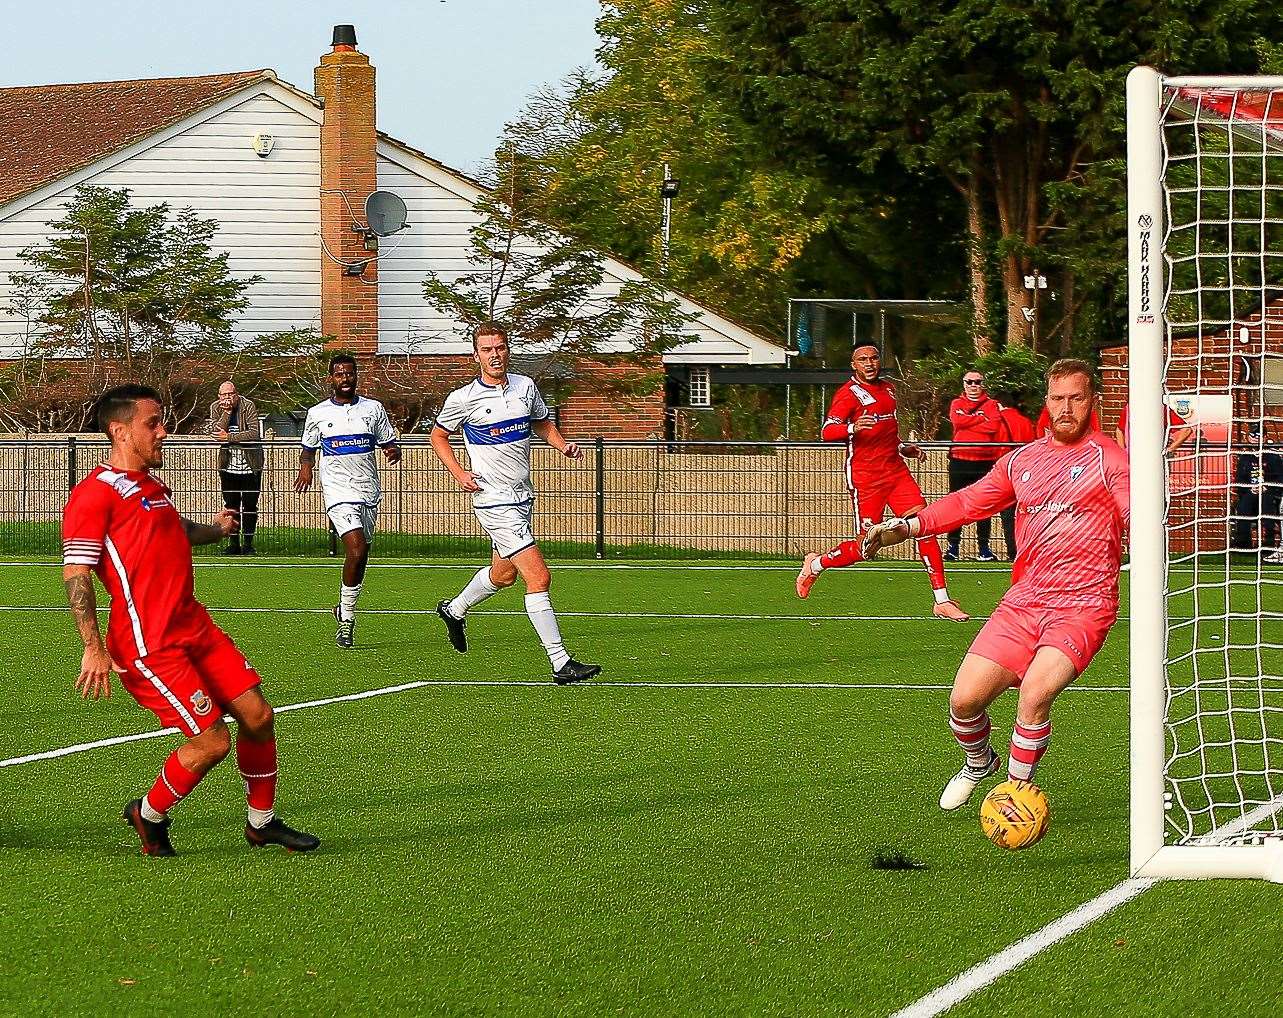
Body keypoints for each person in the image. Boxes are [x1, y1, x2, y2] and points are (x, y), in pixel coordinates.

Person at [61, 384, 318, 856]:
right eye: (152, 423)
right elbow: (77, 573)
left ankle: (261, 823)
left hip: (193, 626)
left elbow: (172, 530)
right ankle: (150, 812)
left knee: (259, 716)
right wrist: (92, 646)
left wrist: (216, 529)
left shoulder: (150, 487)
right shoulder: (92, 495)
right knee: (212, 742)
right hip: (148, 643)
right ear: (119, 431)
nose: (164, 431)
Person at [861, 359, 1128, 809]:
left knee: (1036, 692)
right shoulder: (1022, 460)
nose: (1066, 407)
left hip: (1084, 604)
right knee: (964, 701)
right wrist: (908, 527)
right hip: (1022, 604)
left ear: (1093, 402)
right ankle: (978, 762)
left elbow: (1133, 511)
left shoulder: (1111, 460)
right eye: (1058, 398)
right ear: (1047, 402)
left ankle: (1015, 794)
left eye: (1076, 398)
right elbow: (968, 502)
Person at [430, 322, 602, 684]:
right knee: (538, 576)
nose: (495, 355)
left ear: (508, 349)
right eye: (487, 349)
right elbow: (439, 436)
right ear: (475, 356)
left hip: (522, 496)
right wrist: (459, 473)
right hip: (492, 500)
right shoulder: (463, 398)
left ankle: (454, 609)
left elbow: (542, 422)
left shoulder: (525, 387)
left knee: (504, 575)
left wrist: (562, 445)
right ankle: (560, 663)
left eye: (500, 347)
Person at [794, 344, 968, 621]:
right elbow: (827, 431)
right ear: (854, 365)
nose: (869, 363)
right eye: (862, 359)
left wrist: (903, 448)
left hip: (896, 472)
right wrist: (851, 427)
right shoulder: (848, 395)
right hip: (867, 479)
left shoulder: (888, 389)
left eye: (873, 358)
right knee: (866, 548)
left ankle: (942, 600)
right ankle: (816, 564)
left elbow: (886, 432)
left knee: (925, 526)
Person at [294, 354, 401, 649]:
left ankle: (343, 607)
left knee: (361, 553)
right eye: (339, 374)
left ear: (356, 377)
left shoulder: (373, 409)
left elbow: (388, 442)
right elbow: (308, 449)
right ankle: (348, 620)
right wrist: (306, 468)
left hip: (368, 491)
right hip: (338, 491)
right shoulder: (317, 413)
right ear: (331, 378)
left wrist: (393, 451)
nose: (345, 378)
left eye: (349, 373)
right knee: (356, 547)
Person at [945, 370, 1005, 562]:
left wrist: (968, 422)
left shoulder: (992, 404)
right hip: (960, 460)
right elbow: (957, 421)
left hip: (984, 460)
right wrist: (980, 419)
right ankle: (953, 546)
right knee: (956, 504)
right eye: (969, 382)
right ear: (963, 384)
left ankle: (984, 548)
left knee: (983, 505)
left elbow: (993, 427)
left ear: (982, 384)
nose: (973, 385)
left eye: (977, 382)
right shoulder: (956, 403)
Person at [207, 380, 263, 555]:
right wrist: (226, 413)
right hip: (228, 466)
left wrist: (229, 437)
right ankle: (233, 543)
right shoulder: (216, 407)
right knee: (231, 507)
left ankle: (248, 543)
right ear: (219, 396)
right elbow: (216, 432)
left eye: (230, 394)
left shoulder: (248, 406)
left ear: (236, 394)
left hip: (250, 465)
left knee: (250, 506)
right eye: (224, 395)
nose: (227, 398)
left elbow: (254, 433)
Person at [994, 395, 1036, 560]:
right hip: (1025, 471)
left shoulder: (997, 421)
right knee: (1025, 513)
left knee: (1007, 515)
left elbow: (998, 447)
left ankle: (1013, 551)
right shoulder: (1025, 422)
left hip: (1006, 471)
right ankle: (1026, 548)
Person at [1114, 400, 1194, 455]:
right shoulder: (1130, 407)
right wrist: (1123, 453)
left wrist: (1169, 450)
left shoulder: (1159, 408)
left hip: (1153, 458)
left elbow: (1186, 430)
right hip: (1131, 457)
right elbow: (1119, 430)